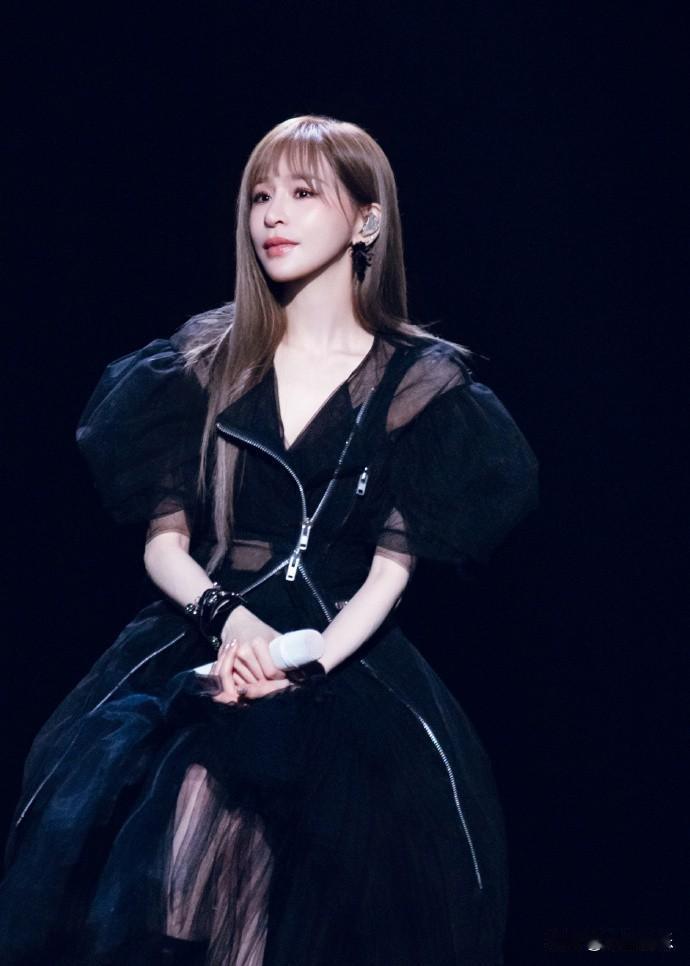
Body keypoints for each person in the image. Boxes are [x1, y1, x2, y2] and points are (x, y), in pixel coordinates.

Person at [0, 114, 539, 965]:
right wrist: (232, 624)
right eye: (260, 196)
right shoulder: (203, 362)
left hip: (341, 656)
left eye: (301, 193)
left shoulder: (418, 386)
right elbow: (164, 544)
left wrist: (306, 662)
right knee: (187, 802)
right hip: (207, 629)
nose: (272, 215)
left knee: (336, 869)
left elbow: (390, 574)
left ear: (366, 219)